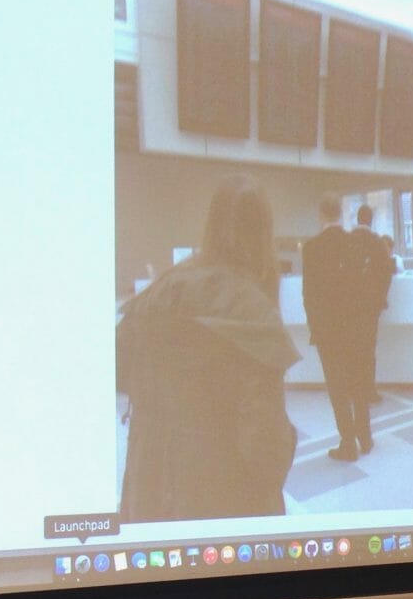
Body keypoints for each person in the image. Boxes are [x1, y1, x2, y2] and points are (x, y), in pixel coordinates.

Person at [115, 175, 299, 521]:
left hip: (151, 492)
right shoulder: (253, 310)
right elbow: (265, 450)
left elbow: (119, 372)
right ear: (264, 233)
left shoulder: (162, 289)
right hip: (225, 505)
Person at [303, 193, 371, 460]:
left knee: (338, 388)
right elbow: (363, 290)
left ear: (321, 215)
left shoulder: (311, 248)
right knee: (358, 383)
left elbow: (308, 295)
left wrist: (316, 329)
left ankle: (348, 442)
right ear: (341, 214)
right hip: (354, 328)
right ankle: (365, 437)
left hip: (328, 331)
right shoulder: (355, 243)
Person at [348, 203, 395, 405]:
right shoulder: (376, 242)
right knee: (368, 348)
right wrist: (380, 299)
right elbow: (387, 271)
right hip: (370, 306)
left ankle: (352, 389)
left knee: (351, 348)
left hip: (349, 306)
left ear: (358, 218)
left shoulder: (347, 241)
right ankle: (368, 391)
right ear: (371, 219)